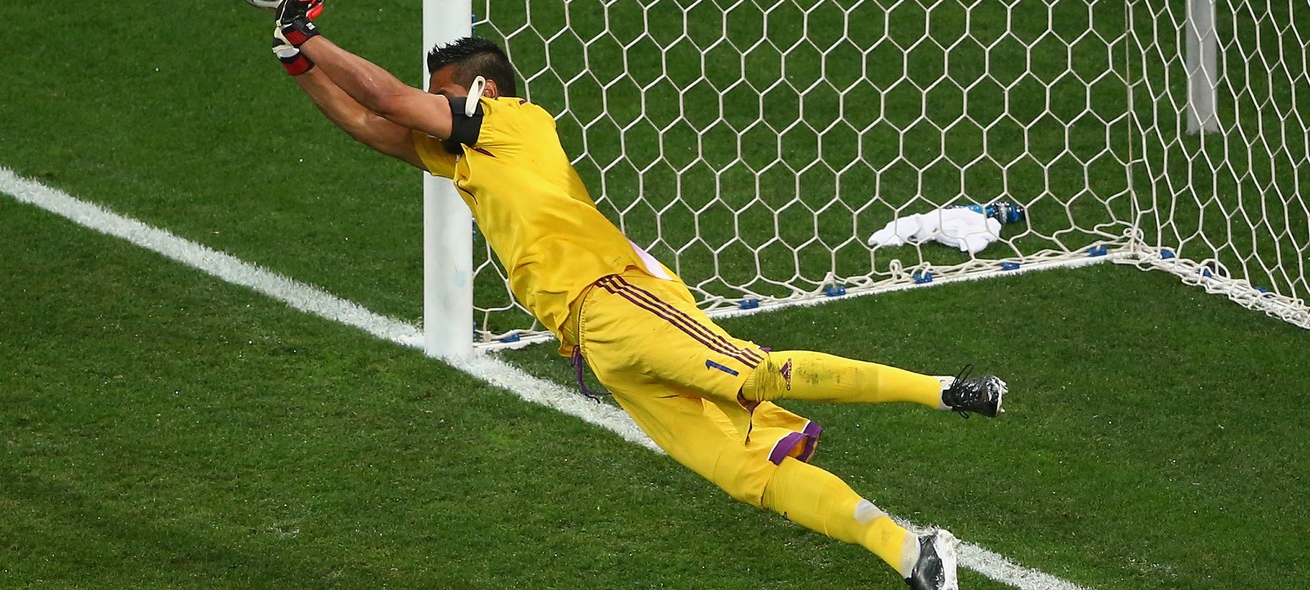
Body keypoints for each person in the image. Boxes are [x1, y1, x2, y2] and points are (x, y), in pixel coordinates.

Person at [262, 2, 1006, 588]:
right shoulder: (467, 159)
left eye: (442, 97)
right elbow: (369, 121)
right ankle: (914, 551)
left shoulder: (515, 123)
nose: (429, 109)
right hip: (597, 343)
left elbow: (390, 100)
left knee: (752, 372)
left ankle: (948, 390)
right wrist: (298, 60)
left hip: (618, 297)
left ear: (481, 91)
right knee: (752, 478)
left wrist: (310, 33)